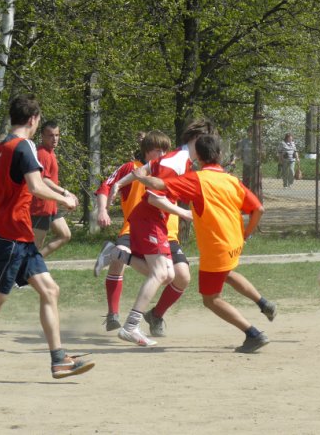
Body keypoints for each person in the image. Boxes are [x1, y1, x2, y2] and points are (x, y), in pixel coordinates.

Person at [0, 94, 94, 378]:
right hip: (12, 237)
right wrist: (65, 199)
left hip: (20, 236)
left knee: (50, 290)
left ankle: (59, 360)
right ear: (33, 120)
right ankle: (58, 359)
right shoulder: (25, 146)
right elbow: (35, 186)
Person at [136, 130, 274, 353]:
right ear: (219, 154)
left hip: (216, 247)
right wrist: (247, 233)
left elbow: (160, 185)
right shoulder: (232, 180)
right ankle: (263, 303)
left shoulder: (196, 179)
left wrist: (140, 176)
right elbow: (258, 209)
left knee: (211, 299)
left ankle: (253, 334)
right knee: (226, 273)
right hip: (235, 242)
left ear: (198, 157)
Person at [94, 130, 190, 336]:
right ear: (146, 151)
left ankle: (156, 315)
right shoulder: (132, 169)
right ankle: (113, 314)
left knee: (181, 277)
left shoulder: (171, 170)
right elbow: (106, 186)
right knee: (121, 259)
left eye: (165, 150)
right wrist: (102, 210)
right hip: (134, 228)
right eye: (157, 150)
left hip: (167, 233)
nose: (162, 154)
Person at [30, 120, 77, 257]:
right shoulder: (42, 154)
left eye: (57, 135)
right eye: (50, 135)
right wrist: (65, 193)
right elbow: (43, 180)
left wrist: (64, 196)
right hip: (40, 206)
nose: (54, 138)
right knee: (35, 246)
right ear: (42, 136)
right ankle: (30, 265)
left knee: (65, 235)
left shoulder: (50, 152)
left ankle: (36, 262)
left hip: (50, 205)